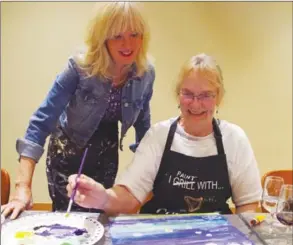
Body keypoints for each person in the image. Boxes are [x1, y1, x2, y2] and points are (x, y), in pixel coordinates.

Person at [1, 2, 155, 219]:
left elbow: (143, 126)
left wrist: (146, 178)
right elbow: (41, 121)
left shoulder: (145, 73)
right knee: (67, 219)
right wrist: (21, 188)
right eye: (118, 36)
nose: (128, 44)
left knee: (100, 216)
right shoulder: (79, 67)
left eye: (134, 34)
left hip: (106, 152)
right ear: (103, 38)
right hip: (67, 152)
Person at [66, 53, 262, 215]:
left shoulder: (235, 139)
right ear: (178, 95)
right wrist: (103, 198)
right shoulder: (158, 136)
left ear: (218, 97)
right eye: (188, 94)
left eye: (205, 95)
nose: (195, 104)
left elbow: (248, 206)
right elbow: (130, 197)